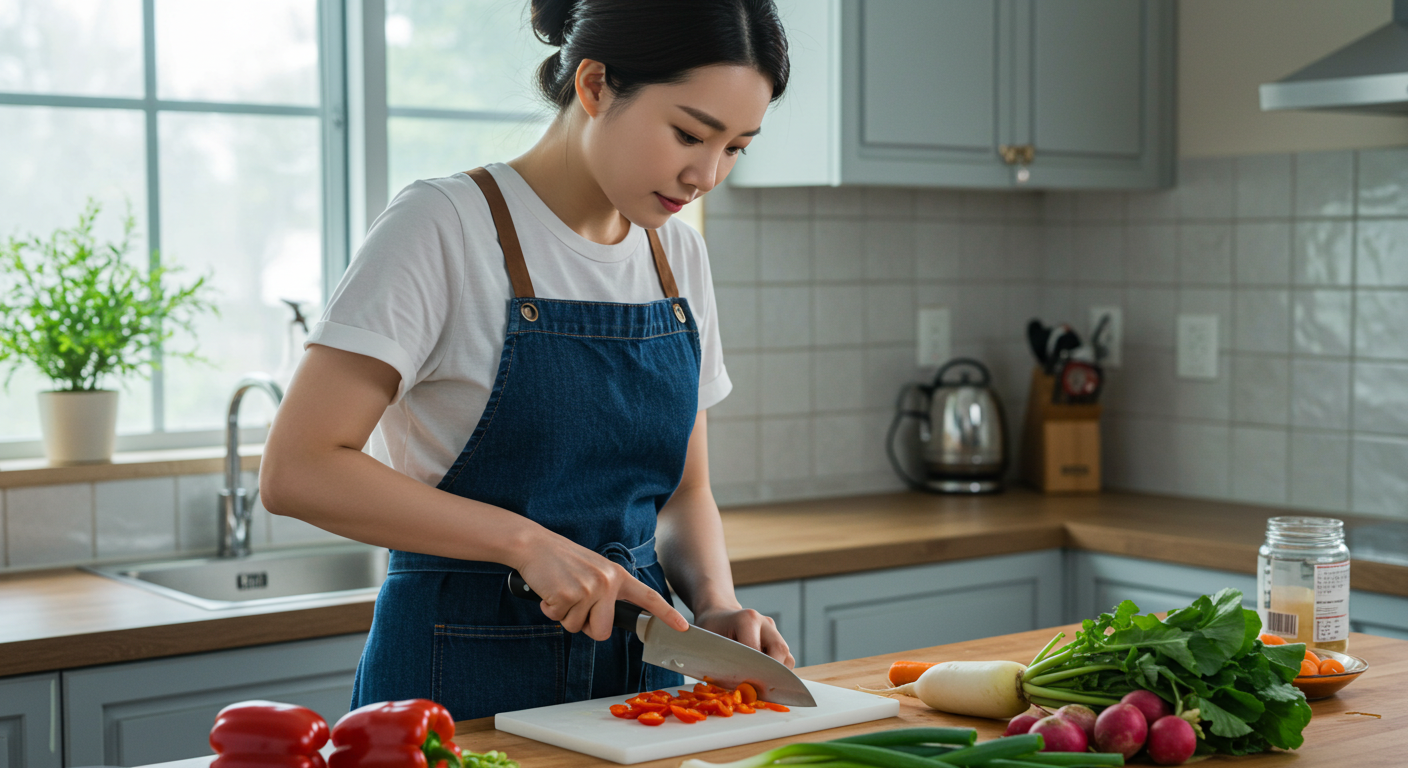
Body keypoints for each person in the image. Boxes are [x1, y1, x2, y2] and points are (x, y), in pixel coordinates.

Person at [260, 0, 792, 720]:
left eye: (735, 148)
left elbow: (684, 491)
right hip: (455, 674)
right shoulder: (444, 224)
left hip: (640, 682)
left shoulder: (678, 255)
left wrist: (716, 604)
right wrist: (525, 544)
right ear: (595, 85)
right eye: (689, 134)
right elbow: (299, 469)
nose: (706, 174)